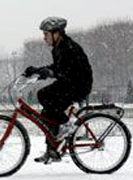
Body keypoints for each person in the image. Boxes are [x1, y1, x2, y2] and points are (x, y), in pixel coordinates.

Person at [23, 17, 93, 164]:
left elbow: (68, 72)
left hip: (79, 85)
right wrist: (38, 70)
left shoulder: (69, 48)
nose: (44, 38)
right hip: (69, 83)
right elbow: (57, 67)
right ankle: (52, 150)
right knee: (47, 109)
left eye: (46, 34)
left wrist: (49, 73)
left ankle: (66, 125)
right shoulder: (58, 48)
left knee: (47, 98)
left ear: (57, 34)